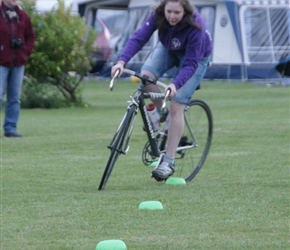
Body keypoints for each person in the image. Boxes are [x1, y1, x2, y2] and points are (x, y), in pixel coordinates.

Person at [111, 0, 212, 181]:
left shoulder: (196, 26)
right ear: (163, 9)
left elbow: (190, 64)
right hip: (168, 49)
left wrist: (175, 84)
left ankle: (169, 161)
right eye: (169, 11)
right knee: (146, 77)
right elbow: (139, 37)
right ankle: (161, 112)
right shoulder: (158, 15)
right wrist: (121, 62)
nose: (172, 16)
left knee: (177, 103)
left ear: (185, 12)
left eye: (177, 13)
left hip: (194, 59)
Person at [0, 0, 35, 137]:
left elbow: (30, 36)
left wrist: (26, 50)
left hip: (18, 62)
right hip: (2, 61)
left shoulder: (23, 16)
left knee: (14, 97)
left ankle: (10, 127)